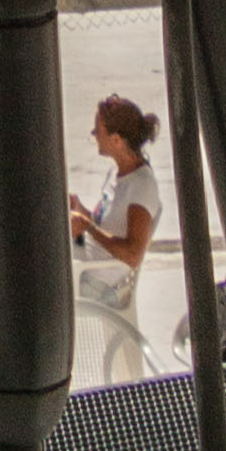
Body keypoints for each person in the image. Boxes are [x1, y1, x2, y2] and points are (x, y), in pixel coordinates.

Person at [72, 95, 165, 349]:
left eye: (98, 130)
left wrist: (88, 227)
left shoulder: (141, 186)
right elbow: (105, 225)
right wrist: (82, 213)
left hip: (99, 282)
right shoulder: (117, 173)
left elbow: (133, 254)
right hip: (87, 262)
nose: (93, 134)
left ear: (116, 139)